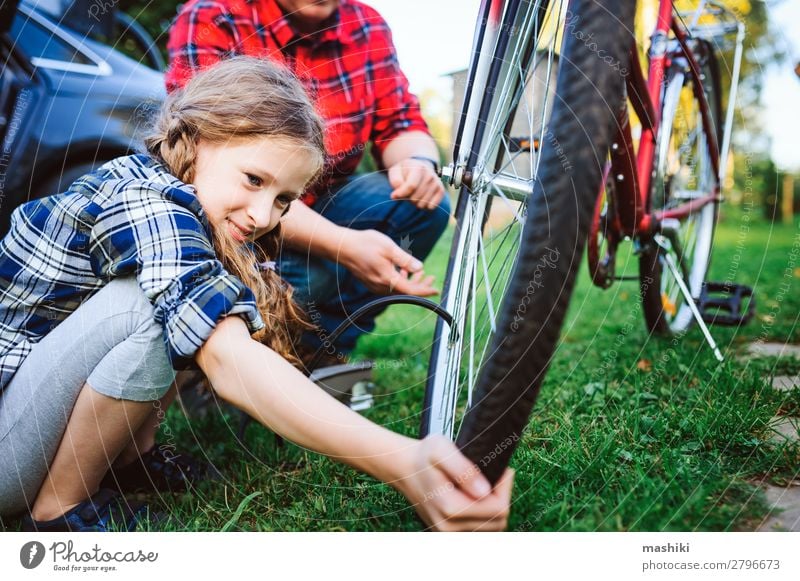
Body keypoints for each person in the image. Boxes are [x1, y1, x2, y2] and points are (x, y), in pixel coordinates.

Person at [0, 57, 513, 532]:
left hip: (27, 407)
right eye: (253, 179)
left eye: (284, 198)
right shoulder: (147, 205)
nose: (264, 215)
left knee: (192, 299)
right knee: (154, 307)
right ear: (196, 141)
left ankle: (133, 458)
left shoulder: (192, 204)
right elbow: (230, 359)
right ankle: (57, 515)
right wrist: (403, 461)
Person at [166, 0, 451, 361]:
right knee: (306, 275)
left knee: (423, 203)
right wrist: (345, 248)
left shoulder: (367, 25)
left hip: (319, 203)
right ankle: (224, 347)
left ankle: (321, 352)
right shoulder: (214, 16)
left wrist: (418, 162)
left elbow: (400, 121)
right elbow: (198, 153)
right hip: (228, 220)